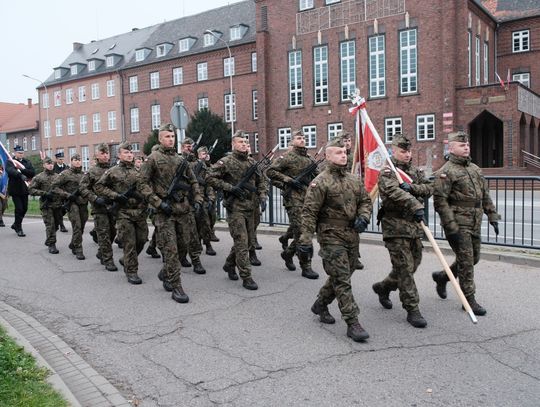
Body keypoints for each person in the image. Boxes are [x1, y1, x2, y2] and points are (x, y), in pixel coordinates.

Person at [298, 138, 372, 342]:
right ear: (328, 156)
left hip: (351, 235)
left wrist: (364, 217)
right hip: (331, 235)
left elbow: (365, 200)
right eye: (338, 152)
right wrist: (305, 240)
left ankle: (320, 303)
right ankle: (352, 321)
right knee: (342, 279)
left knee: (346, 272)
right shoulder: (320, 181)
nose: (343, 155)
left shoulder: (353, 179)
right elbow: (309, 212)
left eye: (344, 152)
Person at [431, 131, 500, 316]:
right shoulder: (446, 172)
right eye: (462, 145)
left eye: (467, 144)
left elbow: (485, 196)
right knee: (467, 262)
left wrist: (492, 216)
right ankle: (469, 299)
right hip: (457, 223)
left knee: (473, 258)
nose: (466, 147)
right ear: (451, 148)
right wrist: (450, 225)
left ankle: (443, 277)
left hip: (475, 221)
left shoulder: (475, 169)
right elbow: (440, 202)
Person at [371, 135, 433, 328]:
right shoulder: (388, 172)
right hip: (395, 226)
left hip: (413, 226)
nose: (407, 155)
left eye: (409, 151)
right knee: (405, 269)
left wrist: (412, 187)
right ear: (393, 151)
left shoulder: (415, 171)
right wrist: (415, 204)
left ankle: (384, 287)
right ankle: (412, 309)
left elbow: (429, 188)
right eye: (403, 151)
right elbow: (393, 193)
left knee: (414, 264)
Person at [139, 123, 203, 303]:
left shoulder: (180, 159)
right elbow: (142, 183)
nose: (171, 139)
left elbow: (193, 181)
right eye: (167, 136)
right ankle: (177, 286)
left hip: (182, 209)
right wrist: (158, 202)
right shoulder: (153, 158)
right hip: (164, 212)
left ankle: (166, 273)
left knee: (183, 247)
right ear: (160, 139)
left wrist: (197, 199)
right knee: (171, 250)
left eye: (173, 137)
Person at [207, 130, 267, 290]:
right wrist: (230, 188)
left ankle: (229, 264)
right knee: (241, 242)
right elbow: (210, 177)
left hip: (252, 208)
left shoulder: (252, 163)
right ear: (233, 144)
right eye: (240, 142)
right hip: (236, 209)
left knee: (247, 242)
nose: (244, 145)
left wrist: (262, 196)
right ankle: (246, 276)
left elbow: (261, 181)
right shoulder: (225, 162)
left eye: (246, 142)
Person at [266, 129, 319, 279]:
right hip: (293, 199)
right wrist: (288, 181)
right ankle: (306, 266)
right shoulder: (287, 157)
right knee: (301, 232)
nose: (302, 140)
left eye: (303, 137)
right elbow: (270, 172)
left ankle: (288, 254)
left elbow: (318, 177)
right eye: (299, 138)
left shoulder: (309, 159)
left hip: (308, 199)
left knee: (306, 231)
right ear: (292, 141)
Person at [95, 143, 148, 284]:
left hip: (140, 212)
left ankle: (125, 260)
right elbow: (99, 186)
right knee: (129, 242)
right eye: (126, 152)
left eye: (131, 152)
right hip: (123, 213)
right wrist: (115, 195)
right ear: (119, 155)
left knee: (142, 240)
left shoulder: (139, 171)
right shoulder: (113, 171)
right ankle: (131, 271)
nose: (129, 155)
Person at [80, 144, 118, 272]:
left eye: (107, 153)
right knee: (104, 234)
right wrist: (95, 198)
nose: (105, 155)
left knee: (113, 232)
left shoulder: (114, 169)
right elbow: (83, 188)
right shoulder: (92, 171)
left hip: (112, 207)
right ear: (97, 155)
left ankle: (101, 252)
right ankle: (108, 260)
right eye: (102, 153)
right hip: (99, 208)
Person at [336, 131, 364, 271]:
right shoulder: (338, 157)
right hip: (340, 197)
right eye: (344, 141)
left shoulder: (354, 157)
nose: (347, 143)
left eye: (349, 141)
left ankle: (355, 256)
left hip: (354, 196)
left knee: (355, 226)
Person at [52, 154, 88, 260]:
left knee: (81, 227)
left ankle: (73, 243)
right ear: (71, 161)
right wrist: (67, 195)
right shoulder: (65, 174)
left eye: (79, 160)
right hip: (72, 204)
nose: (78, 162)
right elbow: (54, 187)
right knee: (77, 226)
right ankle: (78, 249)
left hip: (83, 203)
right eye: (75, 160)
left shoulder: (84, 175)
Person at [178, 137, 206, 274]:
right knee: (182, 235)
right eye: (186, 146)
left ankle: (196, 261)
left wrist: (198, 199)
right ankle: (182, 257)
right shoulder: (178, 161)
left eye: (191, 146)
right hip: (179, 201)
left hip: (192, 201)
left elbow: (198, 181)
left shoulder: (197, 162)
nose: (189, 148)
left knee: (193, 234)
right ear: (182, 147)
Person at [28, 158, 62, 253]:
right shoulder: (39, 177)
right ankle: (52, 244)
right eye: (48, 163)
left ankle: (49, 239)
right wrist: (44, 193)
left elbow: (63, 188)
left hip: (57, 205)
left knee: (56, 225)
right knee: (50, 225)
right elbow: (31, 190)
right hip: (46, 205)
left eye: (51, 164)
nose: (50, 165)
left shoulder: (58, 176)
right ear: (44, 165)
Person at [6, 145, 35, 237]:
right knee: (19, 208)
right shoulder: (10, 162)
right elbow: (10, 171)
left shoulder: (27, 162)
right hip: (15, 189)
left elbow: (32, 172)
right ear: (15, 153)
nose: (21, 154)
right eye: (19, 153)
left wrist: (22, 169)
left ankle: (15, 224)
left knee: (25, 208)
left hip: (25, 189)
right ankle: (19, 228)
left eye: (22, 153)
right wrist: (19, 175)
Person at [193, 146, 217, 256]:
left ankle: (203, 241)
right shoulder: (195, 166)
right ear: (198, 155)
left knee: (210, 220)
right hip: (196, 198)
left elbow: (209, 185)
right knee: (203, 222)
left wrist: (211, 198)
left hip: (206, 198)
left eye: (206, 154)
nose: (205, 156)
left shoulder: (207, 167)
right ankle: (207, 245)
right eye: (203, 154)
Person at [53, 151, 68, 233]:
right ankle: (61, 225)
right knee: (59, 208)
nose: (61, 160)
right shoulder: (54, 168)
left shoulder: (66, 167)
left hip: (65, 191)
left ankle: (57, 220)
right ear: (56, 159)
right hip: (57, 191)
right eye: (60, 159)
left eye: (62, 159)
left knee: (64, 208)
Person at [0, 162, 8, 227]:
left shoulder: (5, 173)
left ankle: (0, 216)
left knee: (4, 206)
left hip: (3, 192)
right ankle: (0, 220)